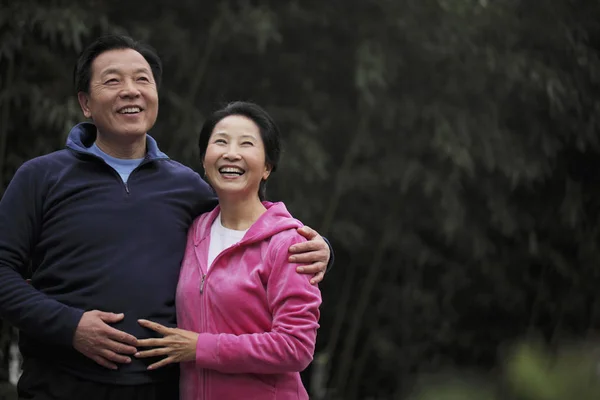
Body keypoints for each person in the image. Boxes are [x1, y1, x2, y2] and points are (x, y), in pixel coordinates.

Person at [0, 35, 331, 399]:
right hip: (58, 384)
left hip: (158, 388)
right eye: (113, 81)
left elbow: (247, 223)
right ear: (85, 103)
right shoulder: (40, 177)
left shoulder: (187, 187)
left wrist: (318, 246)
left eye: (143, 79)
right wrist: (71, 326)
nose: (131, 91)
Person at [134, 101, 321, 400]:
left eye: (246, 144)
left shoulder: (287, 243)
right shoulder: (193, 231)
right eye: (220, 141)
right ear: (204, 160)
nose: (231, 153)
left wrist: (201, 347)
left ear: (267, 168)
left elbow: (296, 347)